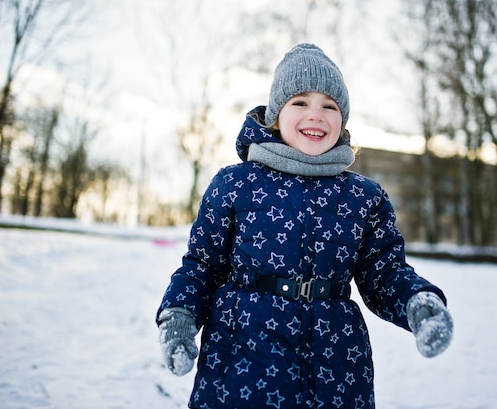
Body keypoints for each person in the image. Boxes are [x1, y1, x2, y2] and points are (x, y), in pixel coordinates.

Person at [156, 43, 453, 409]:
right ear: (275, 116)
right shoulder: (236, 184)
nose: (316, 115)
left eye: (330, 106)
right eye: (300, 103)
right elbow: (202, 265)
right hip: (242, 365)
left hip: (337, 370)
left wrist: (417, 302)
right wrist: (180, 315)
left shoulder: (363, 196)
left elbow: (384, 272)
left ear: (342, 120)